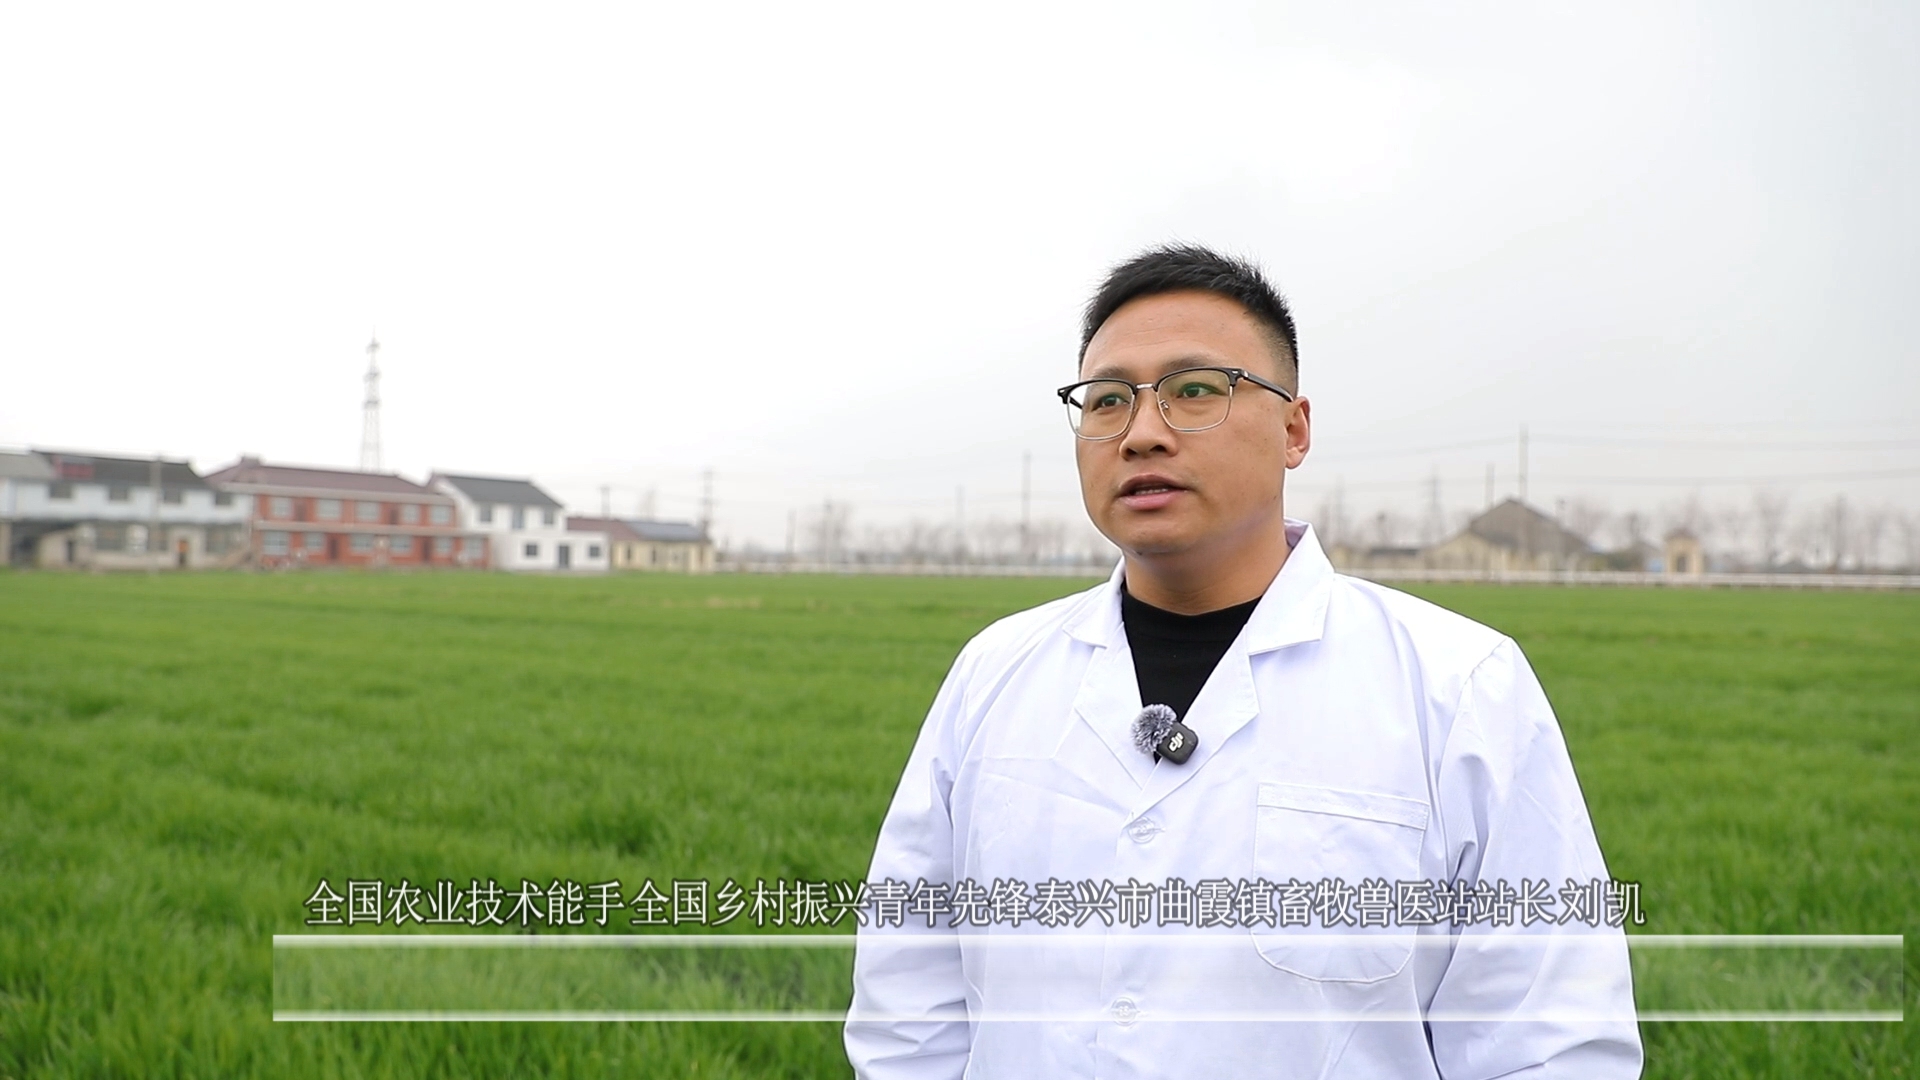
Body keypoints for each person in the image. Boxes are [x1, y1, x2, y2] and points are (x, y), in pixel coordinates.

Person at [844, 244, 1641, 1079]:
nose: (1141, 434)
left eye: (1195, 391)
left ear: (1294, 430)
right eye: (1107, 400)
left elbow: (1550, 1043)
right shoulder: (994, 674)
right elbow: (908, 1009)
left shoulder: (1459, 687)